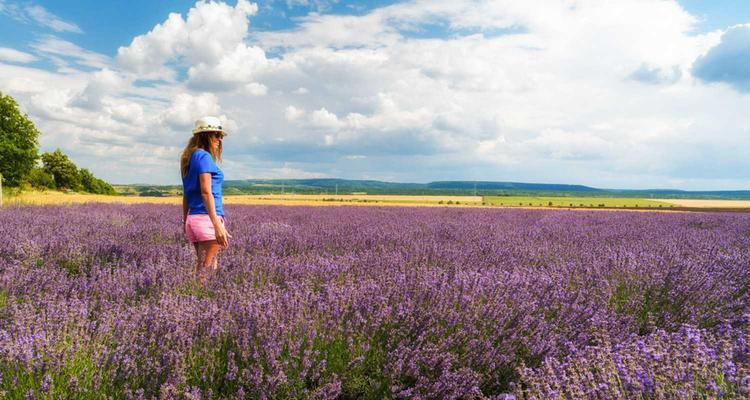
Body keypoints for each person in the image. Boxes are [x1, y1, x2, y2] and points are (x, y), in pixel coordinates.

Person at [180, 116, 231, 283]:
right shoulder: (203, 157)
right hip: (207, 219)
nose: (219, 139)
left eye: (221, 135)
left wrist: (185, 220)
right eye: (216, 135)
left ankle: (202, 302)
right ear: (204, 136)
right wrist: (217, 224)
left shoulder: (188, 158)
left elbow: (186, 193)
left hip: (193, 219)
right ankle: (195, 305)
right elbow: (206, 192)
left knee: (206, 267)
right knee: (205, 271)